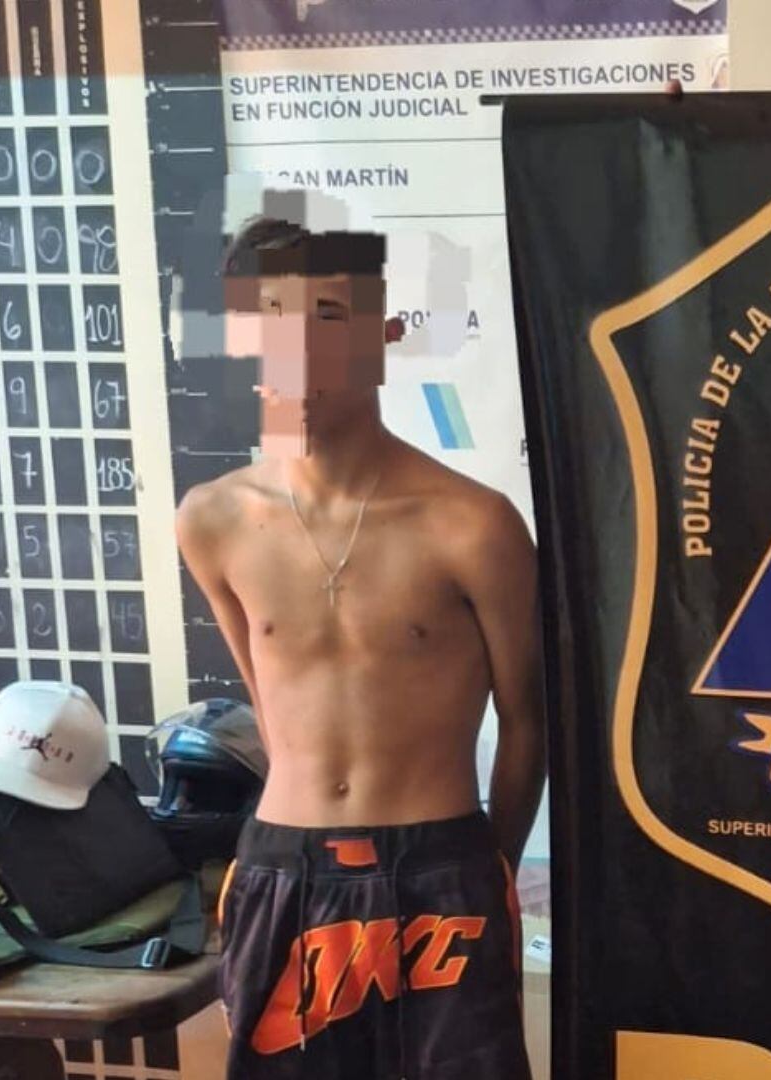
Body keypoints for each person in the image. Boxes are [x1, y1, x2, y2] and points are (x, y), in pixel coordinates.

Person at [177, 216, 542, 1079]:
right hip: (283, 867)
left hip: (441, 869)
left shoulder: (473, 524)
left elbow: (530, 720)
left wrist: (485, 864)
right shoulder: (212, 520)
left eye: (328, 316)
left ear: (382, 337)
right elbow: (270, 705)